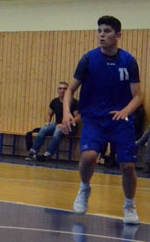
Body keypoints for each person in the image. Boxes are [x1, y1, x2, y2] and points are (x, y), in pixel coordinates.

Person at [61, 15, 143, 225]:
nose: (101, 35)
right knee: (88, 156)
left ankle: (129, 205)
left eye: (107, 31)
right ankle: (84, 188)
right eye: (99, 31)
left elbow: (138, 96)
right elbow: (70, 90)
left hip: (120, 120)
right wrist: (67, 112)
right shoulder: (88, 59)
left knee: (127, 166)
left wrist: (125, 111)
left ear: (118, 35)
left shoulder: (129, 61)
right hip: (94, 118)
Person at [25, 82, 79, 161]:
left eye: (64, 89)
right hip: (57, 124)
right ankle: (33, 152)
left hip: (70, 127)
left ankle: (48, 154)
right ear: (58, 91)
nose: (62, 90)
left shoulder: (74, 102)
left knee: (58, 130)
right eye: (60, 88)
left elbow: (78, 118)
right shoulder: (55, 101)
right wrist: (47, 122)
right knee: (44, 129)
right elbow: (49, 114)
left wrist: (66, 124)